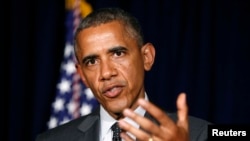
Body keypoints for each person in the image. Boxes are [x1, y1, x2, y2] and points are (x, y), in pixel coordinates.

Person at [36, 7, 210, 141]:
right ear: (82, 75)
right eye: (92, 62)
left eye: (118, 54)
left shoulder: (200, 134)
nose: (106, 73)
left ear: (146, 57)